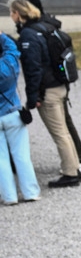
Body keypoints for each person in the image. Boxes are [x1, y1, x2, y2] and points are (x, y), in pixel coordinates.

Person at [9, 0, 81, 188]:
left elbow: (34, 69)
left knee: (59, 133)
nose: (10, 16)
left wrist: (34, 98)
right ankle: (74, 167)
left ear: (18, 13)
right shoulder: (47, 27)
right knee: (63, 131)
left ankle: (70, 173)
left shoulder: (29, 35)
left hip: (47, 90)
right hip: (59, 85)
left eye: (12, 12)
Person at [0, 32, 38, 205]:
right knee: (22, 155)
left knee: (1, 160)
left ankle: (9, 196)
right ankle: (31, 191)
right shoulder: (9, 63)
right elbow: (13, 49)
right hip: (13, 113)